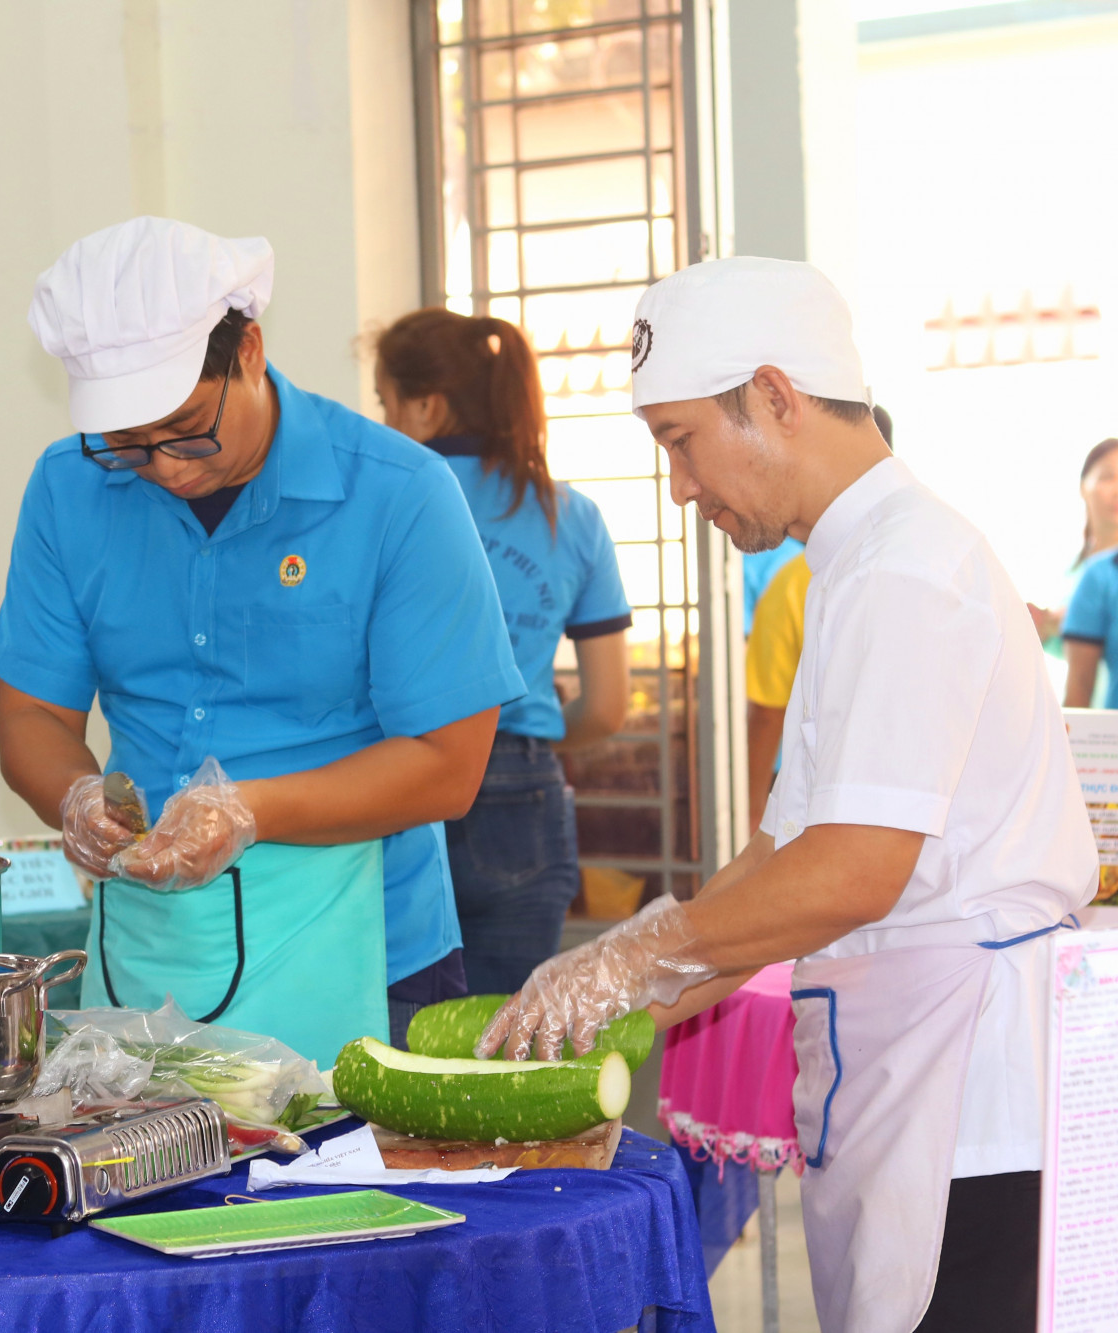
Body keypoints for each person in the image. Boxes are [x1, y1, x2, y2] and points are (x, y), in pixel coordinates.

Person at [479, 257, 1094, 1333]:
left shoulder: (905, 571)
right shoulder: (856, 566)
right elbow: (783, 853)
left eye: (679, 440)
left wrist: (633, 953)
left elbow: (851, 870)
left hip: (971, 1106)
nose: (679, 486)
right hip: (913, 1071)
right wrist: (618, 993)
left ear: (773, 395)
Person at [0, 217, 524, 1064]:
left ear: (248, 351)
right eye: (128, 444)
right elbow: (32, 719)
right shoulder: (68, 489)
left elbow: (449, 764)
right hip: (150, 952)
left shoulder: (398, 494)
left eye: (186, 428)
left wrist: (250, 811)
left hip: (371, 956)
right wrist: (75, 797)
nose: (166, 466)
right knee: (141, 1151)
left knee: (341, 1154)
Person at [372, 309, 632, 996]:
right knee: (506, 1039)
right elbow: (608, 706)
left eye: (385, 402)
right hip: (522, 790)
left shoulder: (383, 502)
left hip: (392, 781)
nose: (382, 421)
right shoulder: (569, 514)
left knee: (397, 1030)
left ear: (425, 406)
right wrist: (530, 732)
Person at [746, 404, 894, 832]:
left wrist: (752, 808)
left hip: (808, 788)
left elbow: (769, 712)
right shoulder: (921, 554)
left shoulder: (792, 583)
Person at [1052, 440, 1118, 708]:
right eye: (1107, 477)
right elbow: (1079, 685)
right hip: (1102, 723)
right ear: (1083, 486)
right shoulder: (1089, 574)